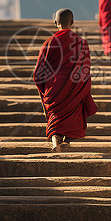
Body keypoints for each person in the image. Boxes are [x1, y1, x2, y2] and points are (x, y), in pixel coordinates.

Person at [33, 9, 98, 151]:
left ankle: (56, 139)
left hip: (54, 89)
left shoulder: (48, 43)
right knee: (72, 116)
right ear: (73, 22)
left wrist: (43, 99)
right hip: (74, 87)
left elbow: (38, 74)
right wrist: (82, 88)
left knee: (55, 118)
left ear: (56, 23)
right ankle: (67, 140)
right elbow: (85, 71)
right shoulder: (82, 43)